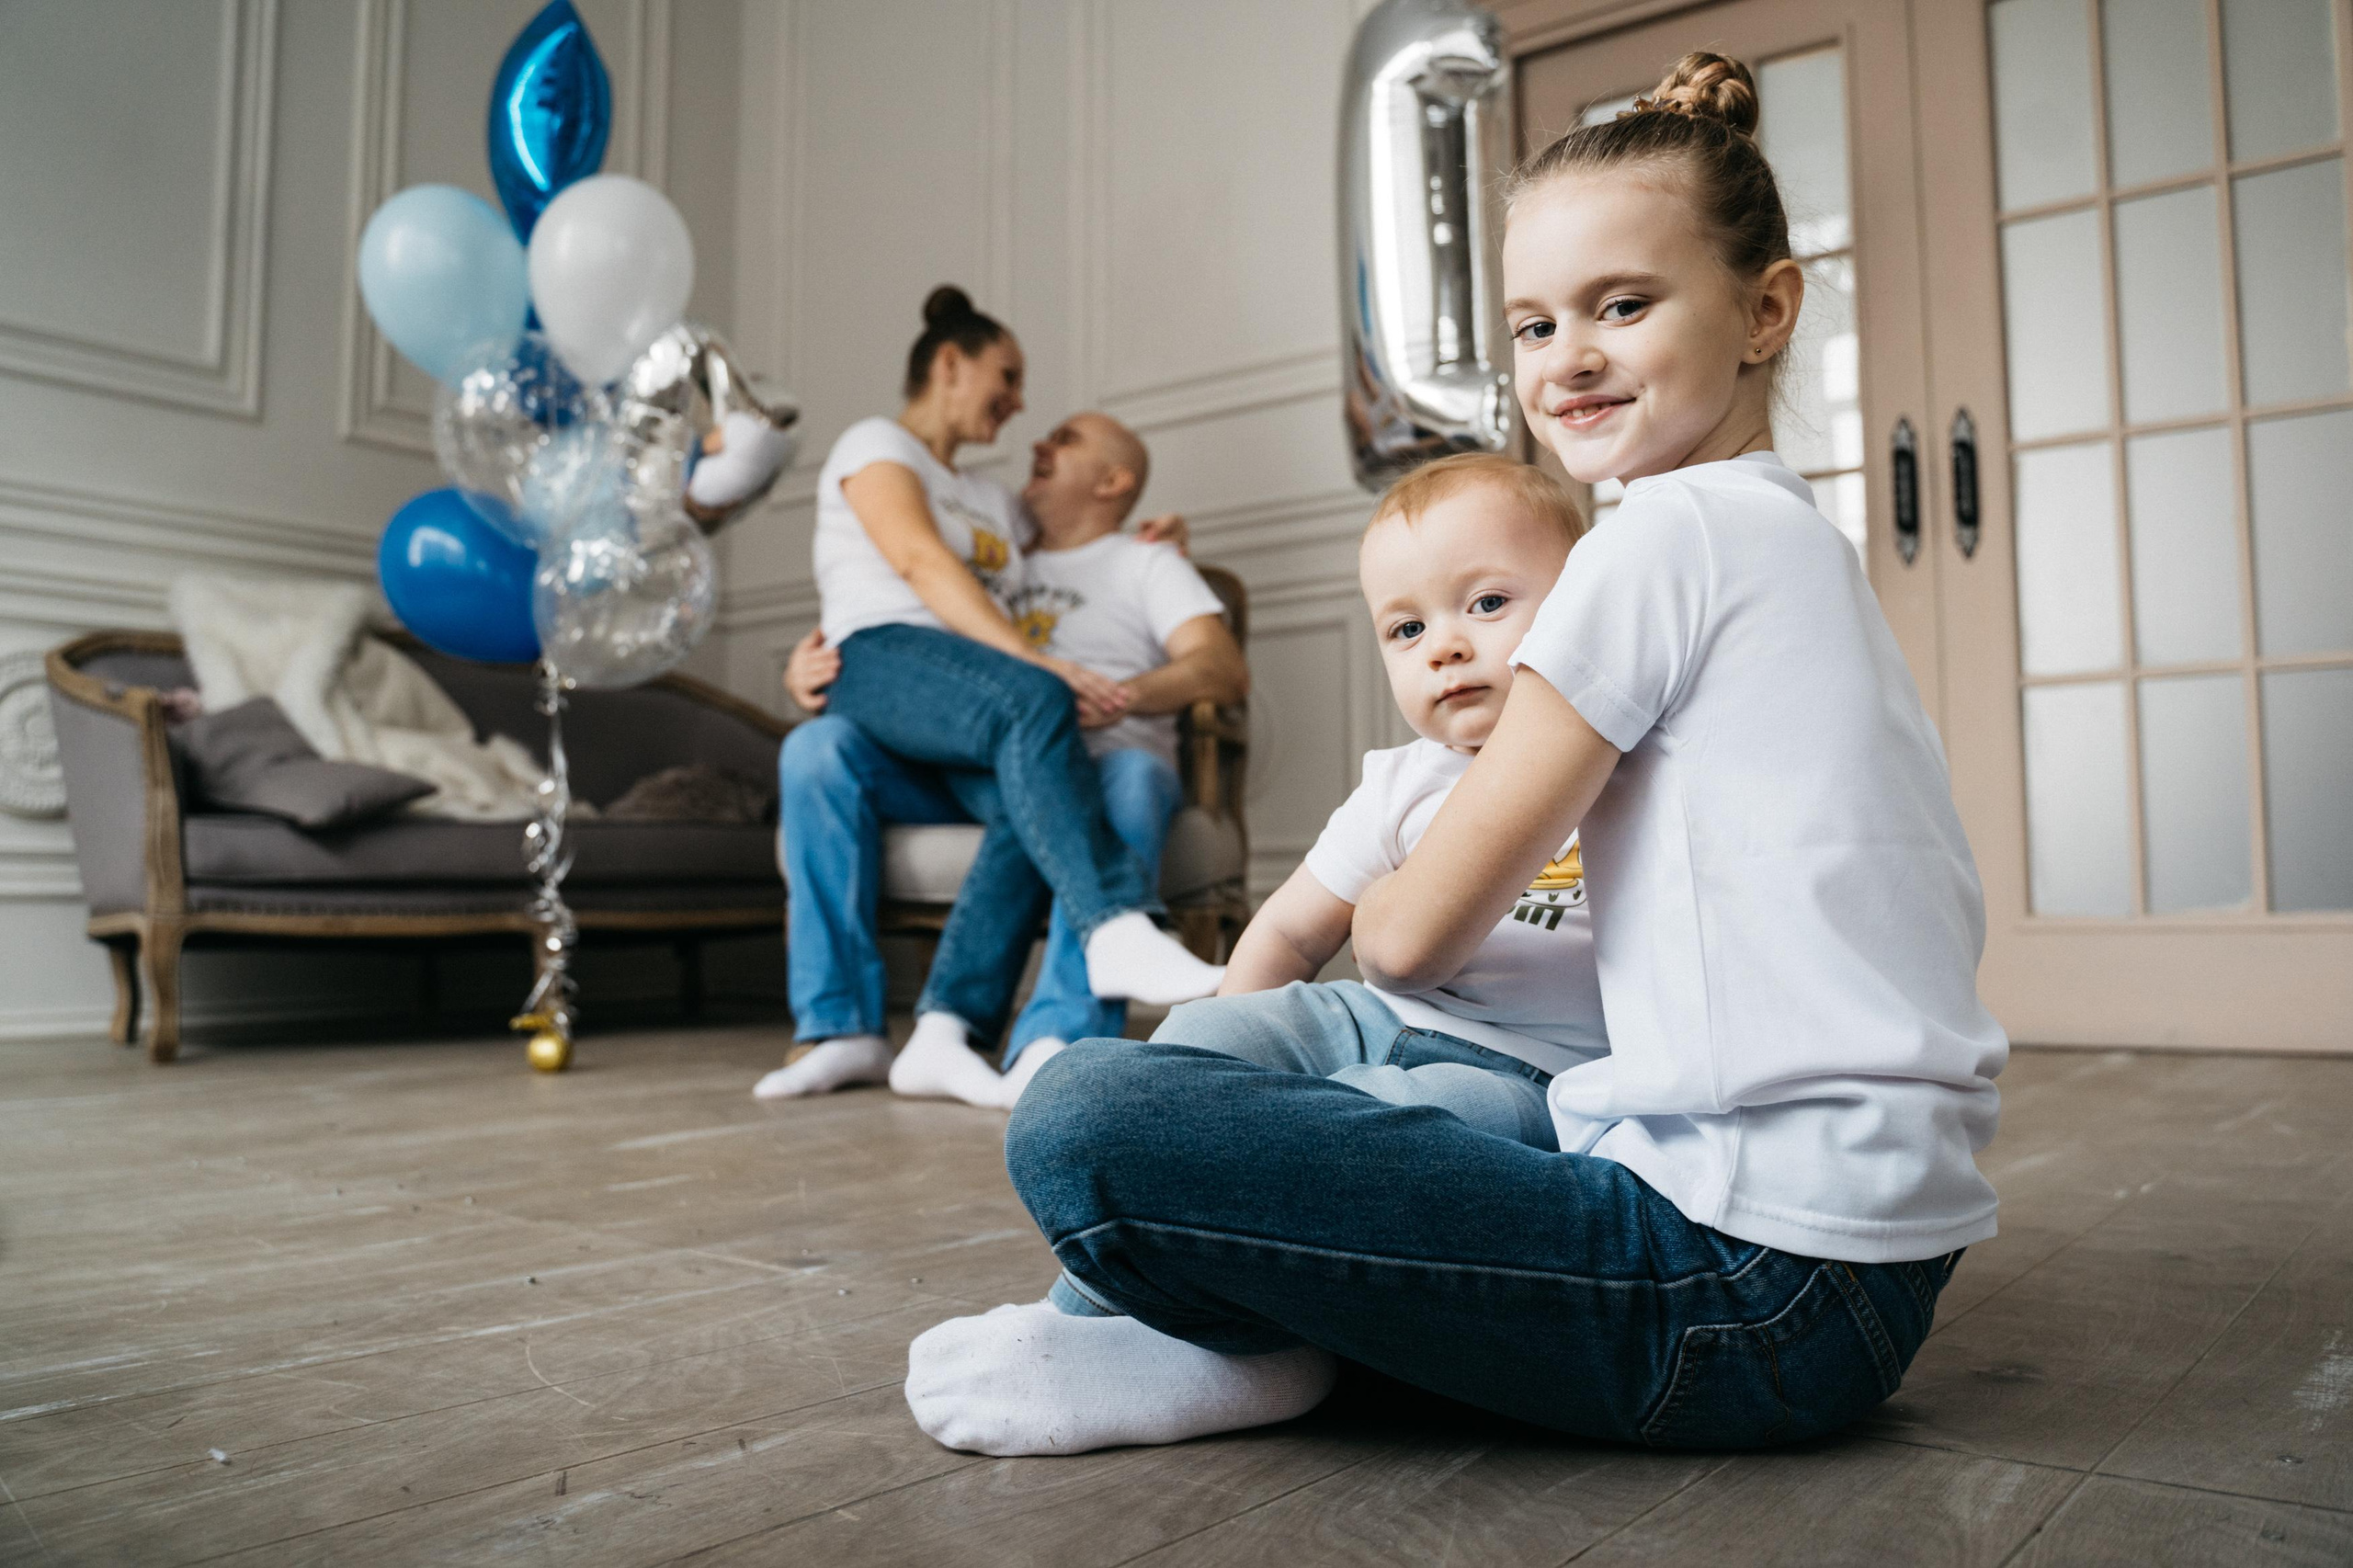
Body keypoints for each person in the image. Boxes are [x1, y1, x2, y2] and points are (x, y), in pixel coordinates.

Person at [902, 53, 2007, 1459]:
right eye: (1535, 323)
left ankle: (1224, 1352)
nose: (1570, 358)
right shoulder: (1790, 544)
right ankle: (1249, 1318)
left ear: (1765, 311)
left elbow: (1412, 940)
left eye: (1625, 305)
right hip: (1863, 1276)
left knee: (1081, 1119)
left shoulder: (1657, 543)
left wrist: (1360, 936)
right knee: (1306, 1099)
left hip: (1744, 1292)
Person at [761, 410, 1246, 1106]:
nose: (1039, 443)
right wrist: (814, 665)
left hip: (1102, 757)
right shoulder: (998, 561)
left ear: (1114, 480)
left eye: (1066, 439)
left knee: (1132, 776)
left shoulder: (1145, 562)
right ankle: (842, 1027)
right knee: (815, 747)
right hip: (985, 754)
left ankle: (1055, 1041)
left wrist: (1121, 697)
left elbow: (1222, 669)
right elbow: (903, 608)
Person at [1143, 453, 1596, 1154]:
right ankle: (1184, 1152)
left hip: (1538, 1072)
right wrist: (1225, 1053)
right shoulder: (1400, 782)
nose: (1443, 647)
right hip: (1370, 1018)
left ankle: (1254, 1177)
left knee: (1412, 1119)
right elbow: (1292, 935)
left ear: (1584, 602)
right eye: (1406, 630)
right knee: (1200, 1034)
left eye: (1487, 603)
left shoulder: (1620, 769)